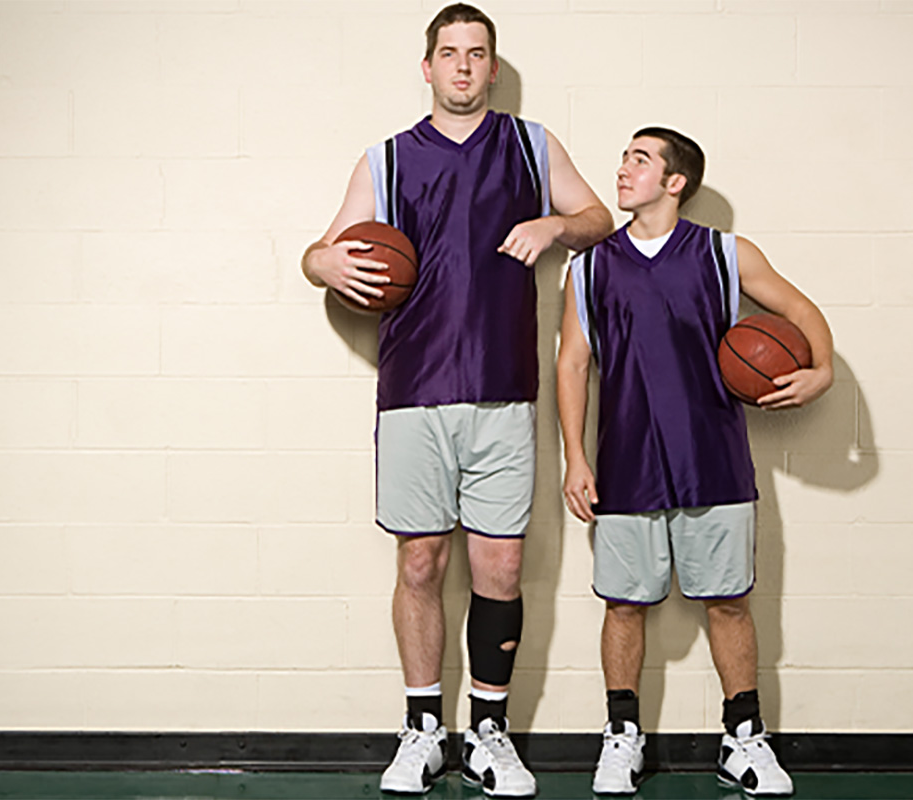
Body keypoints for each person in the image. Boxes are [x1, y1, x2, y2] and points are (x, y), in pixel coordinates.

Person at [301, 4, 613, 797]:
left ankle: (490, 735)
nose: (464, 67)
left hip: (506, 389)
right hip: (413, 389)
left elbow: (600, 220)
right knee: (420, 561)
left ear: (494, 67)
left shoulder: (532, 144)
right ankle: (421, 730)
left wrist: (555, 225)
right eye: (450, 54)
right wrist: (322, 265)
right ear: (428, 67)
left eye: (478, 54)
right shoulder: (388, 159)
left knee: (500, 568)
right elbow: (320, 249)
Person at [555, 128, 832, 797]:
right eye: (625, 157)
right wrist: (575, 457)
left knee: (729, 603)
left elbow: (800, 308)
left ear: (675, 181)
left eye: (640, 160)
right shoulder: (590, 266)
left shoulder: (724, 253)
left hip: (713, 457)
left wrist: (819, 373)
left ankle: (743, 738)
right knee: (624, 606)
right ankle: (623, 738)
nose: (623, 169)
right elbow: (571, 361)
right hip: (627, 461)